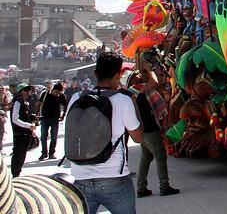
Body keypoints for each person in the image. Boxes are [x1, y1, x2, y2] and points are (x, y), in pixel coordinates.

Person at [68, 53, 143, 214]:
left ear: (95, 74)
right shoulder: (123, 100)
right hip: (114, 178)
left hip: (80, 177)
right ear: (119, 75)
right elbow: (138, 138)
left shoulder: (76, 98)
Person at [134, 60, 178, 198]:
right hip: (149, 128)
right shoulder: (137, 90)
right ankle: (164, 186)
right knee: (160, 155)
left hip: (143, 129)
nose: (140, 76)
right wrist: (149, 70)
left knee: (146, 157)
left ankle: (141, 187)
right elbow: (155, 81)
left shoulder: (133, 92)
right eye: (136, 76)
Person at [9, 84, 36, 177]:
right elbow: (15, 119)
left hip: (25, 134)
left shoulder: (25, 103)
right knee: (18, 155)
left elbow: (25, 116)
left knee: (22, 155)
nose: (28, 92)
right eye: (26, 90)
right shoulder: (18, 102)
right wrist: (28, 125)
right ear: (21, 92)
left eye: (29, 90)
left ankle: (17, 173)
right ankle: (15, 175)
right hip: (19, 134)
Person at [38, 82, 66, 160]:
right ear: (52, 89)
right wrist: (37, 116)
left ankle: (51, 153)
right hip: (44, 118)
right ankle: (44, 153)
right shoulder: (44, 94)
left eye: (59, 92)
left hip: (55, 119)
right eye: (56, 92)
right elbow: (39, 104)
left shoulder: (61, 96)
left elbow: (65, 105)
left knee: (54, 137)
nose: (57, 94)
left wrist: (63, 115)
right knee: (43, 136)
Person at [0, 83, 11, 155]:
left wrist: (5, 111)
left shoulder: (4, 97)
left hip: (1, 119)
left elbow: (6, 106)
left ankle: (0, 149)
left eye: (1, 91)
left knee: (1, 133)